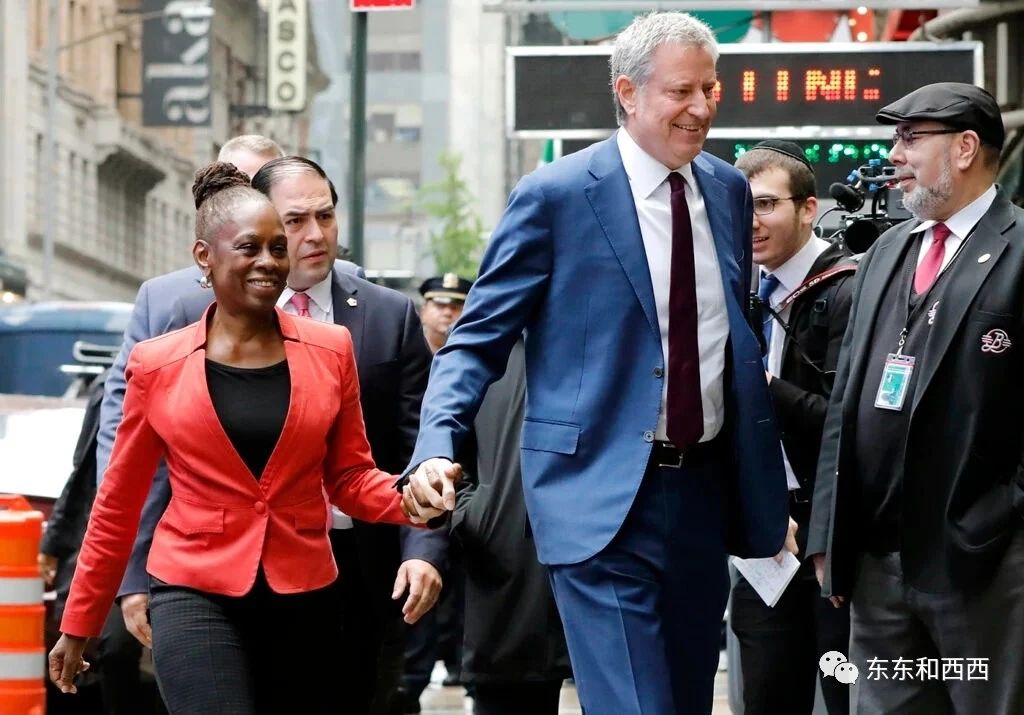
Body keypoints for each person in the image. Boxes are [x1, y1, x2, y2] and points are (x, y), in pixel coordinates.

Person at [402, 12, 788, 714]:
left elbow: (728, 331)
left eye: (710, 88)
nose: (702, 107)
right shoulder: (555, 195)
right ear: (628, 93)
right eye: (681, 91)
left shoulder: (727, 191)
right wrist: (436, 445)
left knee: (684, 701)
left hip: (704, 495)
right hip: (596, 495)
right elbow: (475, 339)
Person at [48, 162, 444, 714]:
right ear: (205, 257)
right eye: (250, 247)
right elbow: (118, 502)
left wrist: (414, 499)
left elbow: (350, 477)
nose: (269, 261)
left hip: (305, 594)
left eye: (277, 248)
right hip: (193, 590)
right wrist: (81, 620)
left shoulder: (331, 350)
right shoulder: (157, 364)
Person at [808, 82, 1024, 714]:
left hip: (983, 563)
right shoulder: (887, 251)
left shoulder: (1019, 250)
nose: (894, 155)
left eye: (910, 138)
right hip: (877, 563)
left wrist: (1004, 518)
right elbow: (844, 401)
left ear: (965, 148)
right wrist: (829, 531)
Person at [729, 140, 854, 715]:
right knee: (766, 696)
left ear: (808, 209)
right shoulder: (733, 292)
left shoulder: (851, 289)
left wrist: (762, 385)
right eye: (740, 207)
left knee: (848, 692)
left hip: (836, 530)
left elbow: (848, 423)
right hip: (763, 532)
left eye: (765, 204)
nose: (750, 222)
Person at [451, 338, 572, 715]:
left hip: (601, 554)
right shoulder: (484, 346)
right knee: (510, 692)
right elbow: (448, 449)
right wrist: (478, 513)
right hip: (505, 556)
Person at [38, 369, 156, 715]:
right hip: (125, 544)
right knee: (115, 649)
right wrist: (54, 543)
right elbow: (87, 473)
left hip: (185, 546)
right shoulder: (114, 386)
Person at [400, 272, 473, 713]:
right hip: (414, 496)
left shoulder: (477, 359)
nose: (447, 313)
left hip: (464, 495)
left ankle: (459, 664)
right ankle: (411, 680)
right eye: (439, 304)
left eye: (456, 305)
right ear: (424, 308)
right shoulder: (408, 354)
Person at [418, 273, 472, 353]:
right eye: (440, 305)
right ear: (423, 311)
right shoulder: (406, 351)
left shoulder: (477, 354)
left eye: (455, 307)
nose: (447, 313)